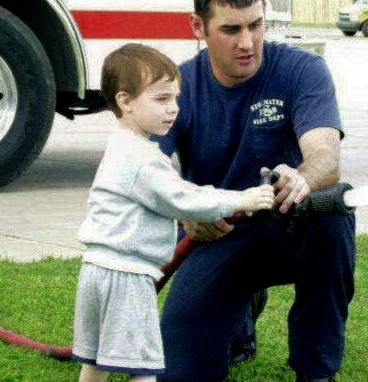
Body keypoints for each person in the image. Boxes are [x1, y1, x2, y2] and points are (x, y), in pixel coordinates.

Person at [153, 0, 356, 382]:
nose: (248, 42)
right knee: (179, 372)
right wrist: (184, 210)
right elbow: (144, 166)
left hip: (289, 226)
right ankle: (239, 316)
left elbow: (325, 155)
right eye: (231, 30)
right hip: (218, 234)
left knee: (332, 216)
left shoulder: (303, 70)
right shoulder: (177, 87)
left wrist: (302, 177)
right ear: (198, 27)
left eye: (256, 25)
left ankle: (316, 372)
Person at [71, 43, 274, 382]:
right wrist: (244, 199)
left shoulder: (121, 144)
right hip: (127, 276)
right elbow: (183, 199)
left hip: (96, 270)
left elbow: (179, 191)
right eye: (161, 99)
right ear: (125, 101)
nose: (174, 109)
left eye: (176, 98)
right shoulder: (144, 158)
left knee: (96, 361)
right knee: (144, 368)